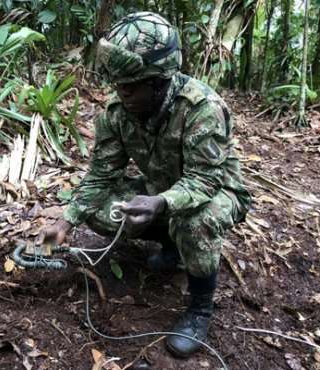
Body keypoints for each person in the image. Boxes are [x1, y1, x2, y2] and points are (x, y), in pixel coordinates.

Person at [40, 11, 251, 358]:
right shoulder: (116, 113)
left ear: (159, 81)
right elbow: (101, 174)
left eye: (131, 86)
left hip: (217, 192)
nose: (122, 94)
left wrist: (161, 203)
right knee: (102, 210)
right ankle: (173, 248)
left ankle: (199, 309)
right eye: (118, 85)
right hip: (161, 187)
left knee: (195, 221)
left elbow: (204, 180)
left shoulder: (201, 108)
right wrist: (65, 223)